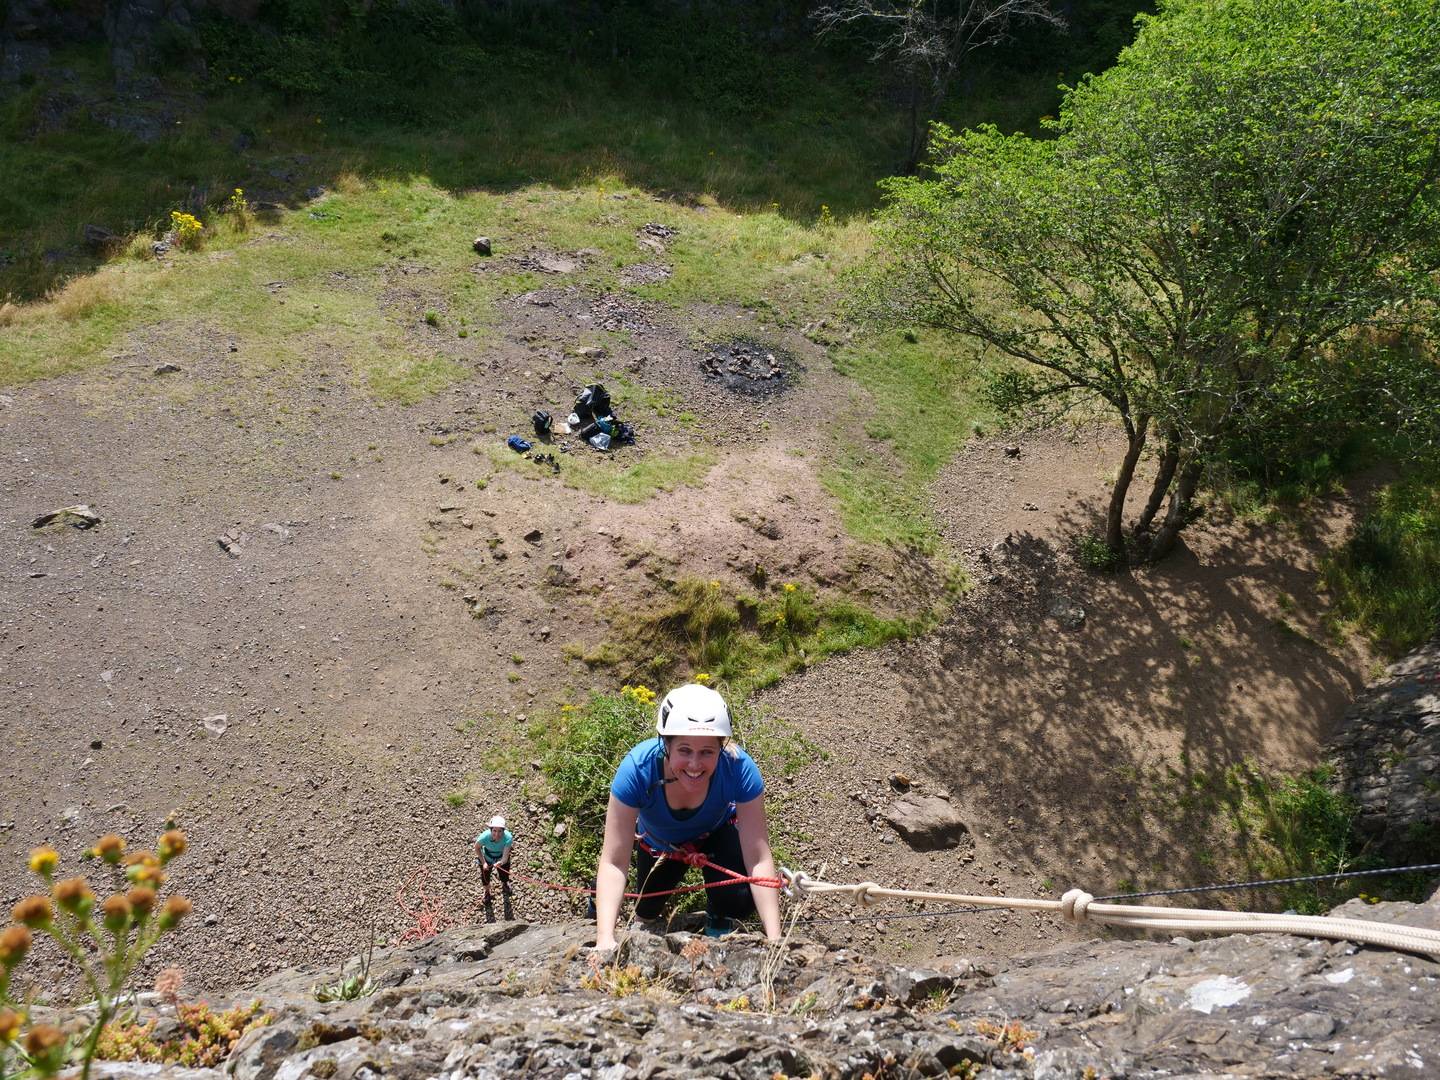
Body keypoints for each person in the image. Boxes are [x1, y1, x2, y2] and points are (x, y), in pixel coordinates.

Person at [593, 683, 782, 950]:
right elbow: (614, 860)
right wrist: (604, 939)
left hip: (716, 835)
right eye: (684, 750)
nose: (695, 765)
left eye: (707, 751)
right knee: (647, 909)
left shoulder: (738, 769)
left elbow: (758, 857)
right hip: (661, 845)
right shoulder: (638, 770)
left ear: (721, 747)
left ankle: (719, 921)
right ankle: (611, 912)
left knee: (738, 898)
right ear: (666, 743)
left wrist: (775, 941)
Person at [473, 814, 514, 902]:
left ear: (504, 830)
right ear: (490, 829)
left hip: (501, 858)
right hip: (486, 857)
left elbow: (505, 856)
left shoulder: (508, 838)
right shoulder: (484, 837)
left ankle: (505, 883)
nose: (497, 834)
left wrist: (501, 862)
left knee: (504, 873)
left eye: (500, 831)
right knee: (485, 877)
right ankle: (487, 891)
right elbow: (477, 848)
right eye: (494, 830)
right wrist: (483, 862)